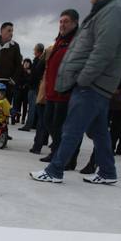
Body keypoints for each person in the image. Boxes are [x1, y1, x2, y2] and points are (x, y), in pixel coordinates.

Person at [30, 0, 121, 185]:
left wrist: (83, 78)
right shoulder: (109, 11)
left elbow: (103, 51)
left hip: (92, 85)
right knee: (99, 131)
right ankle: (107, 171)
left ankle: (55, 170)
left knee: (72, 129)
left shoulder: (113, 12)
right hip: (97, 85)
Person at [39, 10, 80, 165]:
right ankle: (56, 151)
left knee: (64, 126)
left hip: (66, 91)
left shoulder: (77, 41)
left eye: (66, 21)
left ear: (75, 23)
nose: (62, 24)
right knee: (49, 121)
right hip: (52, 90)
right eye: (61, 21)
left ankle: (68, 157)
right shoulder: (60, 40)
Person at [20, 44, 45, 131]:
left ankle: (28, 125)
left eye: (34, 50)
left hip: (34, 87)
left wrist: (29, 80)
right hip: (35, 87)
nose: (33, 51)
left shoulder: (38, 61)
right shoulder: (40, 61)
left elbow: (35, 75)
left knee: (32, 108)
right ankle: (34, 124)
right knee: (35, 108)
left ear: (38, 51)